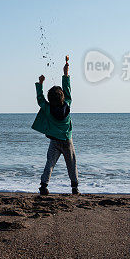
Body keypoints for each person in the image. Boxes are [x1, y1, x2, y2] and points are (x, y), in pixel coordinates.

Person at [31, 55, 79, 196]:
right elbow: (67, 90)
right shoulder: (68, 104)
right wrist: (65, 73)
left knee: (50, 164)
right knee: (72, 165)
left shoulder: (47, 108)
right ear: (63, 97)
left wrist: (40, 84)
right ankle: (75, 188)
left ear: (50, 100)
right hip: (67, 141)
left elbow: (40, 100)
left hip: (54, 142)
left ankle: (43, 186)